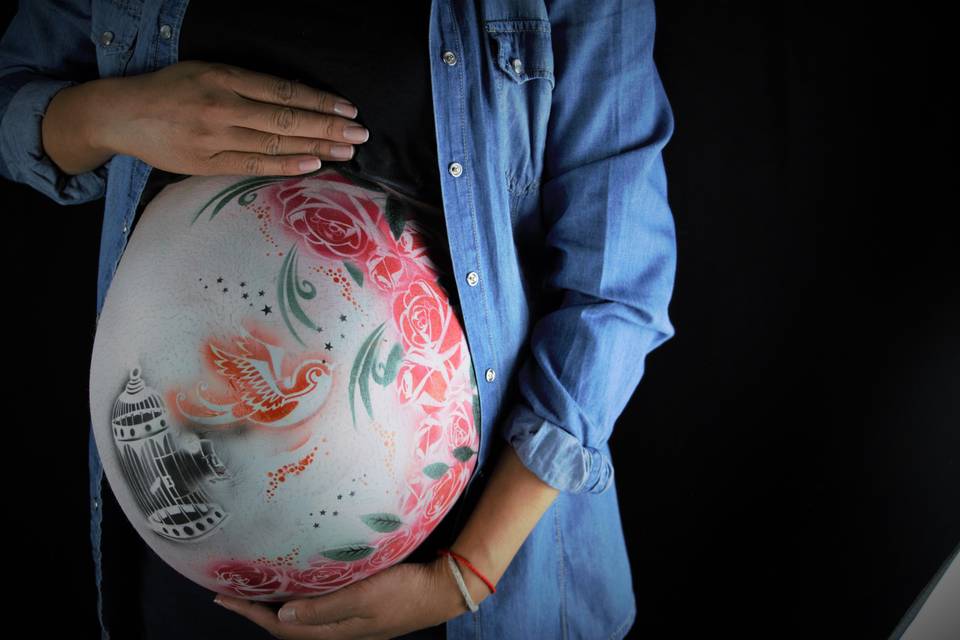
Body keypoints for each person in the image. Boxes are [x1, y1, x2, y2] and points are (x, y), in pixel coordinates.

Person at [0, 1, 677, 638]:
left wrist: (465, 574)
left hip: (458, 582)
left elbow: (616, 284)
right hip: (185, 591)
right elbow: (13, 95)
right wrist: (109, 115)